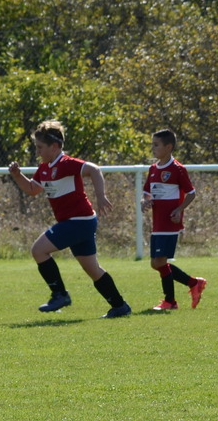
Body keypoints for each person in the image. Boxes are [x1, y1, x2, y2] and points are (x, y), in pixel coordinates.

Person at [8, 120, 130, 318]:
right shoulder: (45, 167)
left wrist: (100, 195)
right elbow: (32, 189)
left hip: (78, 221)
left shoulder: (66, 164)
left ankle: (60, 295)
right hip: (81, 222)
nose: (37, 152)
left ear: (55, 146)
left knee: (39, 250)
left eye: (40, 147)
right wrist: (17, 174)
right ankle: (120, 306)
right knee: (93, 269)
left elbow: (94, 170)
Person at [139, 128, 206, 310]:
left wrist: (179, 210)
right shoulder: (153, 169)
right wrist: (145, 201)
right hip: (157, 222)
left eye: (156, 145)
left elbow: (191, 193)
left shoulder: (177, 169)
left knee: (159, 262)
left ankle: (170, 301)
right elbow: (147, 192)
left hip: (169, 222)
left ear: (168, 147)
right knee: (156, 263)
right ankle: (193, 283)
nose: (153, 148)